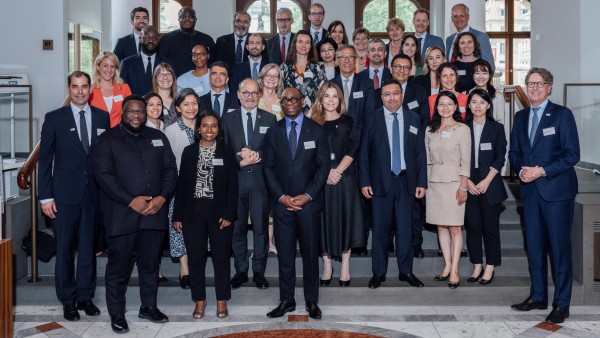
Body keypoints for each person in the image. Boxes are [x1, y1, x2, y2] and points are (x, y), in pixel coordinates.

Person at [93, 95, 177, 333]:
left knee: (150, 266)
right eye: (131, 111)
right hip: (122, 215)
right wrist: (131, 201)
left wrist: (162, 198)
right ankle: (117, 314)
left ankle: (148, 307)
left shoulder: (158, 137)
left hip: (154, 213)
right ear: (123, 112)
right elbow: (104, 176)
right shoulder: (107, 140)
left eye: (140, 111)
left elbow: (170, 170)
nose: (136, 116)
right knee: (118, 269)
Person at [509, 68, 580, 324]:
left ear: (550, 87)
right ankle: (538, 296)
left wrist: (541, 171)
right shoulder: (520, 117)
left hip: (557, 192)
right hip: (530, 193)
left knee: (560, 249)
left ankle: (562, 304)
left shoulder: (562, 115)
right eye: (530, 83)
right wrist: (521, 171)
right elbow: (514, 153)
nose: (535, 88)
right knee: (535, 248)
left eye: (540, 84)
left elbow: (572, 155)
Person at [38, 71, 109, 322]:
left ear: (91, 89)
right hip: (64, 196)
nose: (80, 91)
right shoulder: (54, 118)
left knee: (89, 249)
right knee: (65, 250)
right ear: (68, 89)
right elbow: (45, 160)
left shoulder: (102, 117)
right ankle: (68, 300)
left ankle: (85, 297)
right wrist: (45, 196)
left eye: (85, 87)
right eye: (75, 87)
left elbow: (103, 157)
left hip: (93, 196)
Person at [263, 87, 329, 320]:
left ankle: (312, 301)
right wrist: (282, 197)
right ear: (282, 104)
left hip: (309, 205)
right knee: (285, 256)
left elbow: (323, 168)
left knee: (311, 255)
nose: (289, 102)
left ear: (302, 102)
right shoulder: (273, 131)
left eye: (294, 99)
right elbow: (268, 167)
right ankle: (287, 300)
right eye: (285, 99)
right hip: (282, 205)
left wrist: (308, 195)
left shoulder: (317, 131)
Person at [358, 79, 426, 289]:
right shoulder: (372, 119)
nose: (391, 98)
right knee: (380, 230)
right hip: (380, 182)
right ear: (381, 97)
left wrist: (422, 182)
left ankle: (406, 271)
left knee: (405, 230)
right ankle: (379, 273)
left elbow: (420, 154)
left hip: (407, 182)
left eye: (395, 93)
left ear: (401, 95)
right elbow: (363, 154)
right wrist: (365, 181)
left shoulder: (414, 119)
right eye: (387, 94)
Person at [172, 111, 238, 319]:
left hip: (220, 215)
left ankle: (221, 300)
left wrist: (229, 213)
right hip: (193, 214)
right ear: (198, 129)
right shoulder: (189, 151)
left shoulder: (227, 152)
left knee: (221, 259)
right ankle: (199, 300)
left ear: (219, 129)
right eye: (205, 126)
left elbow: (233, 188)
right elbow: (181, 186)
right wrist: (177, 215)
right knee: (196, 260)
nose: (209, 130)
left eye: (214, 126)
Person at [222, 79, 277, 290]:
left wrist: (258, 155)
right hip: (236, 181)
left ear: (260, 94)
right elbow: (224, 150)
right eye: (246, 92)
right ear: (238, 94)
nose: (250, 96)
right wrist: (239, 160)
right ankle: (241, 270)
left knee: (261, 229)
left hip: (260, 183)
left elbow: (274, 151)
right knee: (237, 228)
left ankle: (259, 272)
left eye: (254, 93)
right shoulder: (227, 119)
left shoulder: (270, 119)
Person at [311, 82, 365, 287]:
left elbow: (353, 148)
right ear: (321, 99)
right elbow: (310, 154)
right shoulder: (313, 123)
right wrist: (326, 174)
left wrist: (337, 170)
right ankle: (327, 266)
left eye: (335, 96)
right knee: (323, 222)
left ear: (340, 100)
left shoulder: (348, 121)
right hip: (321, 180)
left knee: (346, 221)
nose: (331, 100)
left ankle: (344, 266)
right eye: (327, 96)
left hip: (344, 179)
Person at [425, 90, 471, 289]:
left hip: (454, 182)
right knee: (440, 226)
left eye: (449, 104)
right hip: (434, 182)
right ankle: (446, 264)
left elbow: (466, 160)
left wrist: (464, 186)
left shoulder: (463, 129)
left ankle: (455, 269)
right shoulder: (429, 130)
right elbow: (426, 160)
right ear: (437, 107)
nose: (445, 107)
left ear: (455, 107)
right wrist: (425, 185)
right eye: (441, 104)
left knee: (454, 227)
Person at [464, 89, 507, 286]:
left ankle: (490, 266)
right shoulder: (463, 128)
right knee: (473, 228)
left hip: (490, 184)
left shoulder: (497, 128)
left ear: (489, 105)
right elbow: (457, 157)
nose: (478, 106)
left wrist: (487, 180)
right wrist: (468, 182)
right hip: (469, 184)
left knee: (490, 228)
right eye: (474, 102)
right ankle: (476, 264)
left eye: (482, 102)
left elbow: (500, 157)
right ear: (469, 105)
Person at [164, 88, 201, 291]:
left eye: (194, 103)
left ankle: (196, 266)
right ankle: (184, 269)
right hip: (180, 187)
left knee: (198, 228)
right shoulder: (170, 131)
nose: (190, 108)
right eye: (186, 104)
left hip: (204, 187)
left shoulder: (204, 126)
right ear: (178, 108)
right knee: (179, 228)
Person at [331, 44, 376, 140]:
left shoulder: (367, 84)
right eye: (343, 57)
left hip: (361, 137)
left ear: (355, 60)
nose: (347, 60)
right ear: (337, 61)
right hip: (335, 137)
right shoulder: (330, 85)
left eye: (350, 57)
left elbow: (369, 114)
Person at [159, 6, 215, 76]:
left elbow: (213, 64)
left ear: (195, 19)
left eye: (191, 16)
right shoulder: (167, 39)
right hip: (176, 82)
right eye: (183, 16)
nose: (187, 19)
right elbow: (161, 64)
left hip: (203, 82)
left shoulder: (207, 39)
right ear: (178, 19)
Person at [280, 30, 327, 113]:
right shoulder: (285, 68)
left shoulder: (319, 67)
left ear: (311, 46)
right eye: (300, 41)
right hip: (290, 113)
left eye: (307, 42)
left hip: (313, 115)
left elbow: (322, 93)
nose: (303, 45)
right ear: (295, 44)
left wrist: (311, 113)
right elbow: (280, 93)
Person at [121, 25, 173, 96]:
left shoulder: (168, 63)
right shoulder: (127, 64)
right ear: (140, 39)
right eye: (146, 37)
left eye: (154, 38)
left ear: (158, 40)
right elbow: (123, 90)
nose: (150, 41)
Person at [446, 3, 494, 72]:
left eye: (461, 16)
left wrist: (482, 82)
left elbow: (490, 66)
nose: (458, 19)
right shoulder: (449, 39)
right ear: (452, 19)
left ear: (468, 17)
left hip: (474, 82)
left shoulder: (481, 37)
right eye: (455, 16)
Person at [89, 51, 132, 128]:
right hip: (97, 136)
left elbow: (131, 113)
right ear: (98, 67)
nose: (109, 70)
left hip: (119, 135)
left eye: (112, 66)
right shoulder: (90, 90)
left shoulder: (124, 88)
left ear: (116, 69)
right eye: (105, 65)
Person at [471, 59, 504, 124]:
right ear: (472, 75)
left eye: (485, 73)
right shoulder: (466, 94)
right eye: (477, 73)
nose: (481, 77)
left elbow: (500, 122)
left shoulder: (497, 96)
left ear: (490, 75)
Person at [152, 62, 179, 127]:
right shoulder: (148, 102)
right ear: (155, 78)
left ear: (173, 77)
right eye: (161, 75)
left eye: (168, 74)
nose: (165, 77)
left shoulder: (179, 101)